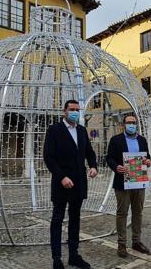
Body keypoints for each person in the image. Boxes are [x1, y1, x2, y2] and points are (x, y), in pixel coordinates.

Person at [43, 100, 98, 269]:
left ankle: (74, 254)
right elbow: (48, 157)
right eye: (72, 110)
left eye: (77, 110)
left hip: (79, 182)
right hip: (62, 183)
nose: (75, 112)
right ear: (64, 112)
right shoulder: (54, 130)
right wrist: (61, 177)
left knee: (75, 218)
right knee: (57, 219)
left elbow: (89, 152)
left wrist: (93, 166)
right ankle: (57, 257)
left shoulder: (81, 130)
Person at [106, 115, 151, 258]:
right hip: (122, 182)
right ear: (123, 124)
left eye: (134, 122)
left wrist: (148, 161)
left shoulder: (142, 140)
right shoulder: (116, 140)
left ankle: (136, 241)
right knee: (122, 213)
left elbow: (147, 156)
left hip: (139, 181)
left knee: (138, 212)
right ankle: (122, 244)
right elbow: (109, 158)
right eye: (129, 122)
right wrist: (116, 167)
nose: (132, 125)